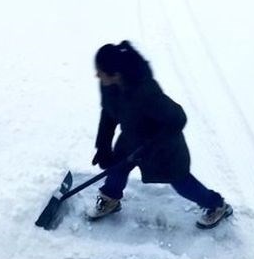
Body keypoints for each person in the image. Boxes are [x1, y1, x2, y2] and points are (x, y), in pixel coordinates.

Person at [88, 40, 233, 229]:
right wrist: (103, 145)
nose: (96, 75)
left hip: (163, 147)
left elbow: (178, 117)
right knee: (117, 167)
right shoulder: (108, 84)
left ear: (116, 74)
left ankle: (216, 205)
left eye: (100, 71)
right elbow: (108, 112)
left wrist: (152, 144)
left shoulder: (145, 92)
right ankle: (110, 199)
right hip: (132, 136)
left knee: (181, 182)